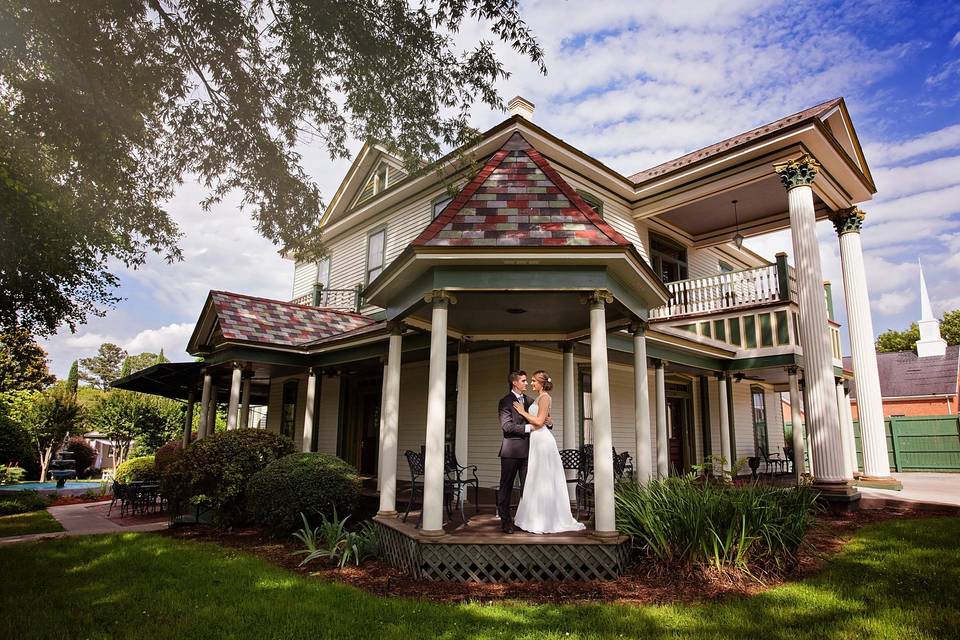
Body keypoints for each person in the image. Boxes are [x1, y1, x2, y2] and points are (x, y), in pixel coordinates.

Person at [512, 370, 585, 534]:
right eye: (530, 381)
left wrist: (522, 412)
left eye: (534, 381)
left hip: (543, 441)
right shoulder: (538, 398)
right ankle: (534, 516)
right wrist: (549, 420)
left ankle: (546, 519)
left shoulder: (545, 397)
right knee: (536, 477)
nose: (531, 383)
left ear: (542, 383)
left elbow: (538, 421)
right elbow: (545, 418)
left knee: (543, 478)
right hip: (536, 440)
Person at [496, 370, 532, 534]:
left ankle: (526, 520)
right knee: (506, 487)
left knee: (528, 487)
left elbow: (540, 418)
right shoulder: (505, 402)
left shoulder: (530, 401)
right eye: (523, 380)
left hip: (529, 452)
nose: (526, 383)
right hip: (511, 451)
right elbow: (507, 427)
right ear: (515, 382)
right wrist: (527, 428)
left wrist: (548, 423)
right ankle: (506, 521)